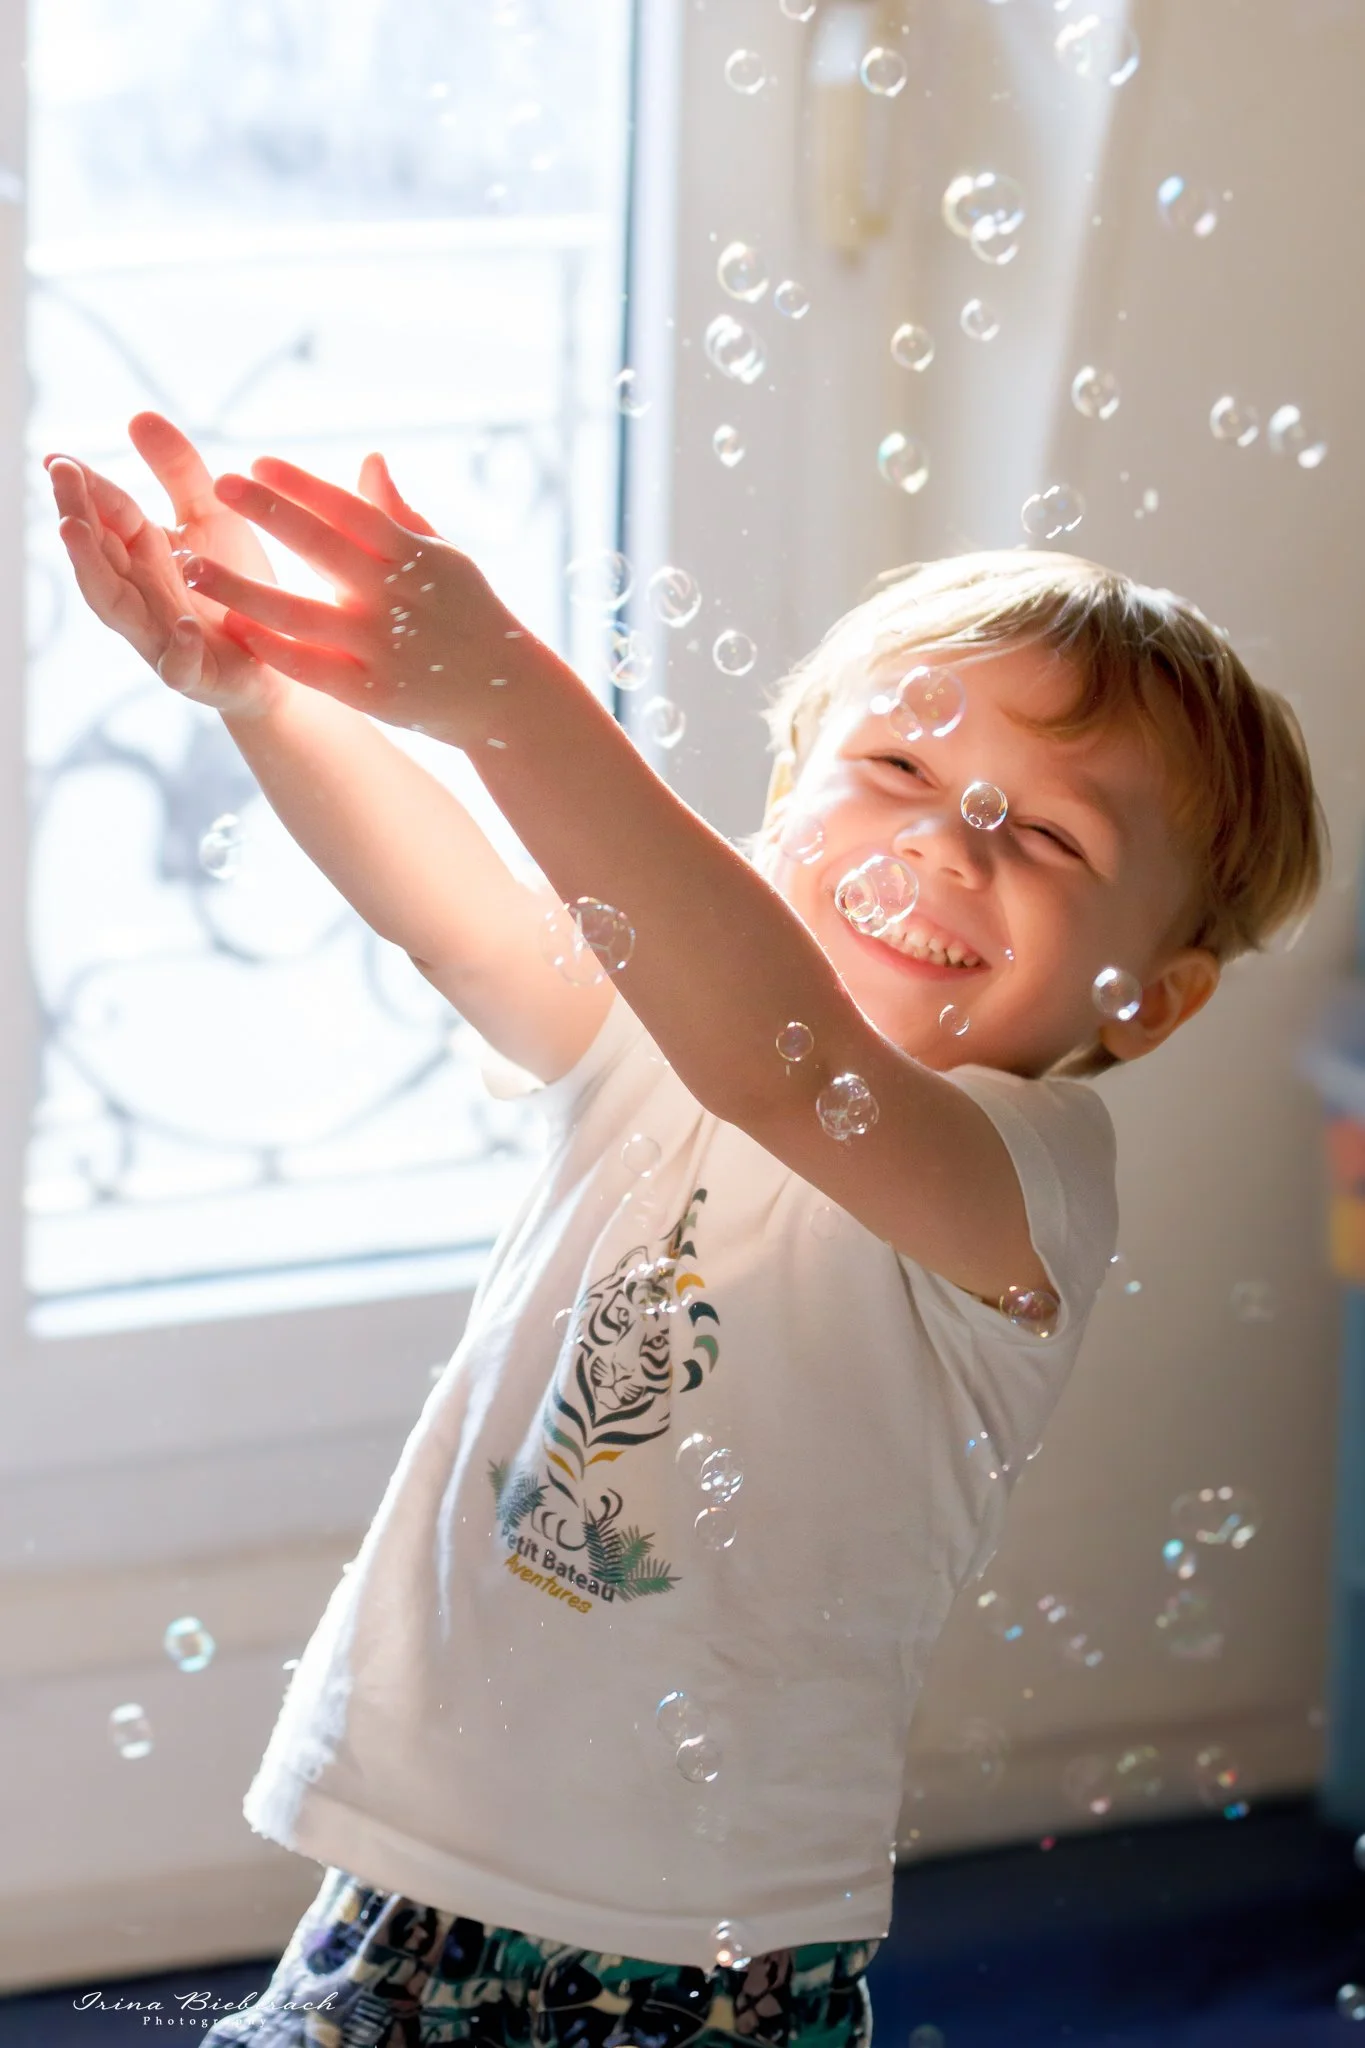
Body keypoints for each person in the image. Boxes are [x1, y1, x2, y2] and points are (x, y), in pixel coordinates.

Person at [47, 415, 1326, 2048]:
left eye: (1051, 836)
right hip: (417, 1863)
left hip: (694, 1966)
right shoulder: (662, 1022)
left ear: (1150, 1003)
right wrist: (264, 698)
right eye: (899, 770)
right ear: (780, 799)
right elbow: (458, 916)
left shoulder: (1033, 1179)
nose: (948, 840)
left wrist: (509, 692)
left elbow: (795, 1071)